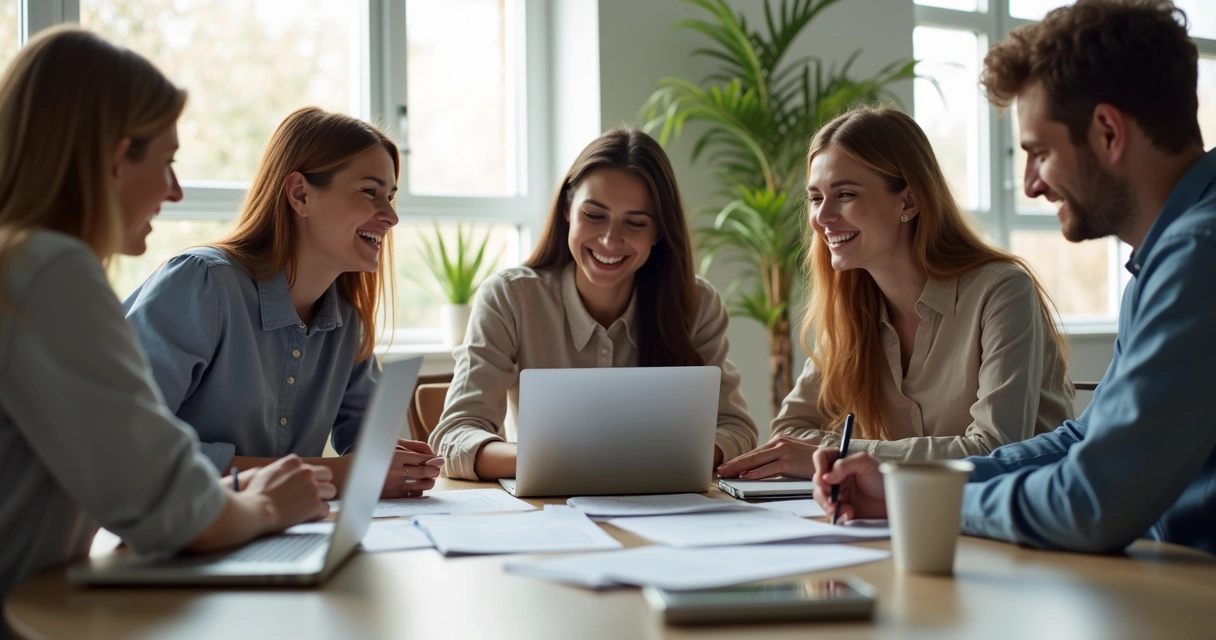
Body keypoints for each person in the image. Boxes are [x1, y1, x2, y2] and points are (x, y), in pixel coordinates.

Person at [812, 0, 1216, 555]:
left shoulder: (1199, 256)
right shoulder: (1166, 258)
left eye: (1039, 153)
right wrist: (908, 483)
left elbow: (1090, 502)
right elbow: (1083, 439)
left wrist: (927, 500)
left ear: (1107, 132)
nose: (1029, 185)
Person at [0, 27, 333, 608]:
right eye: (166, 161)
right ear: (113, 156)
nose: (175, 191)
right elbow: (171, 513)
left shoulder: (21, 263)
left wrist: (230, 490)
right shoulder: (50, 272)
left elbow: (135, 480)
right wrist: (266, 506)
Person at [717, 107, 1074, 480]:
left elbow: (994, 450)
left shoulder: (1002, 291)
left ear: (907, 202)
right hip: (908, 517)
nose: (823, 218)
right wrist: (841, 456)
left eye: (845, 194)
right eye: (816, 198)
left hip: (1021, 522)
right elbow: (790, 432)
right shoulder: (850, 308)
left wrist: (841, 456)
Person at [123, 107, 440, 500]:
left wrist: (396, 463)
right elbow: (130, 447)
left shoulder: (345, 322)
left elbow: (366, 441)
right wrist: (341, 474)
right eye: (370, 192)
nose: (391, 216)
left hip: (276, 535)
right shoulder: (201, 283)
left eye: (391, 197)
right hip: (180, 542)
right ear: (300, 194)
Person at [429, 128, 758, 480]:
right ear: (568, 208)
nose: (609, 240)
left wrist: (658, 460)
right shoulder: (510, 297)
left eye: (634, 223)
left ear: (659, 232)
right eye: (595, 215)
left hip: (664, 516)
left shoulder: (696, 304)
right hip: (547, 516)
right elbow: (454, 438)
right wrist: (574, 460)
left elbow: (737, 430)